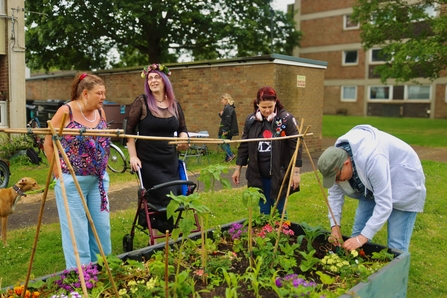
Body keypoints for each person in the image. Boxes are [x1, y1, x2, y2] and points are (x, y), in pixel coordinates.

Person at [317, 124, 426, 252]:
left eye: (337, 178)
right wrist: (335, 227)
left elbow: (384, 204)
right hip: (370, 183)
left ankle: (397, 270)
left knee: (396, 245)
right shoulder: (336, 157)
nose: (337, 182)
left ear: (346, 163)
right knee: (358, 233)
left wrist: (362, 238)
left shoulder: (373, 158)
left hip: (404, 177)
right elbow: (334, 196)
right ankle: (357, 266)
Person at [44, 73, 111, 269]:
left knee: (101, 228)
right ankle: (81, 276)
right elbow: (48, 143)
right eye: (99, 93)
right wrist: (58, 172)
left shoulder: (100, 112)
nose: (103, 97)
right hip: (73, 182)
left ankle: (102, 267)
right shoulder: (66, 112)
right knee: (77, 231)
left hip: (98, 181)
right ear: (85, 93)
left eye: (104, 93)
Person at [126, 63, 189, 232]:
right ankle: (154, 238)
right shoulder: (142, 102)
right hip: (148, 162)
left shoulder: (174, 104)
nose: (153, 81)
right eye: (150, 78)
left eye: (156, 77)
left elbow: (182, 129)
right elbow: (129, 132)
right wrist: (133, 156)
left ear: (165, 80)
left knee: (174, 198)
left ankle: (165, 236)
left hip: (169, 162)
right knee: (158, 197)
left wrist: (184, 140)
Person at [232, 86, 302, 216]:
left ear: (276, 102)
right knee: (263, 209)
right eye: (263, 107)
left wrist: (296, 173)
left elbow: (296, 146)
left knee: (279, 209)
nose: (267, 110)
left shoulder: (286, 119)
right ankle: (266, 234)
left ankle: (282, 233)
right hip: (258, 174)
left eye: (270, 106)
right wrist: (238, 168)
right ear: (257, 104)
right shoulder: (251, 121)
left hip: (279, 173)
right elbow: (244, 146)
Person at [218, 93, 239, 162]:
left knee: (221, 142)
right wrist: (222, 115)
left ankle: (230, 155)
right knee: (226, 143)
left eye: (222, 100)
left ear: (226, 100)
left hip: (227, 130)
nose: (221, 101)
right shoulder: (229, 108)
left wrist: (225, 130)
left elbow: (228, 120)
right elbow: (226, 119)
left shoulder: (228, 108)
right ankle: (228, 158)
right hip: (229, 129)